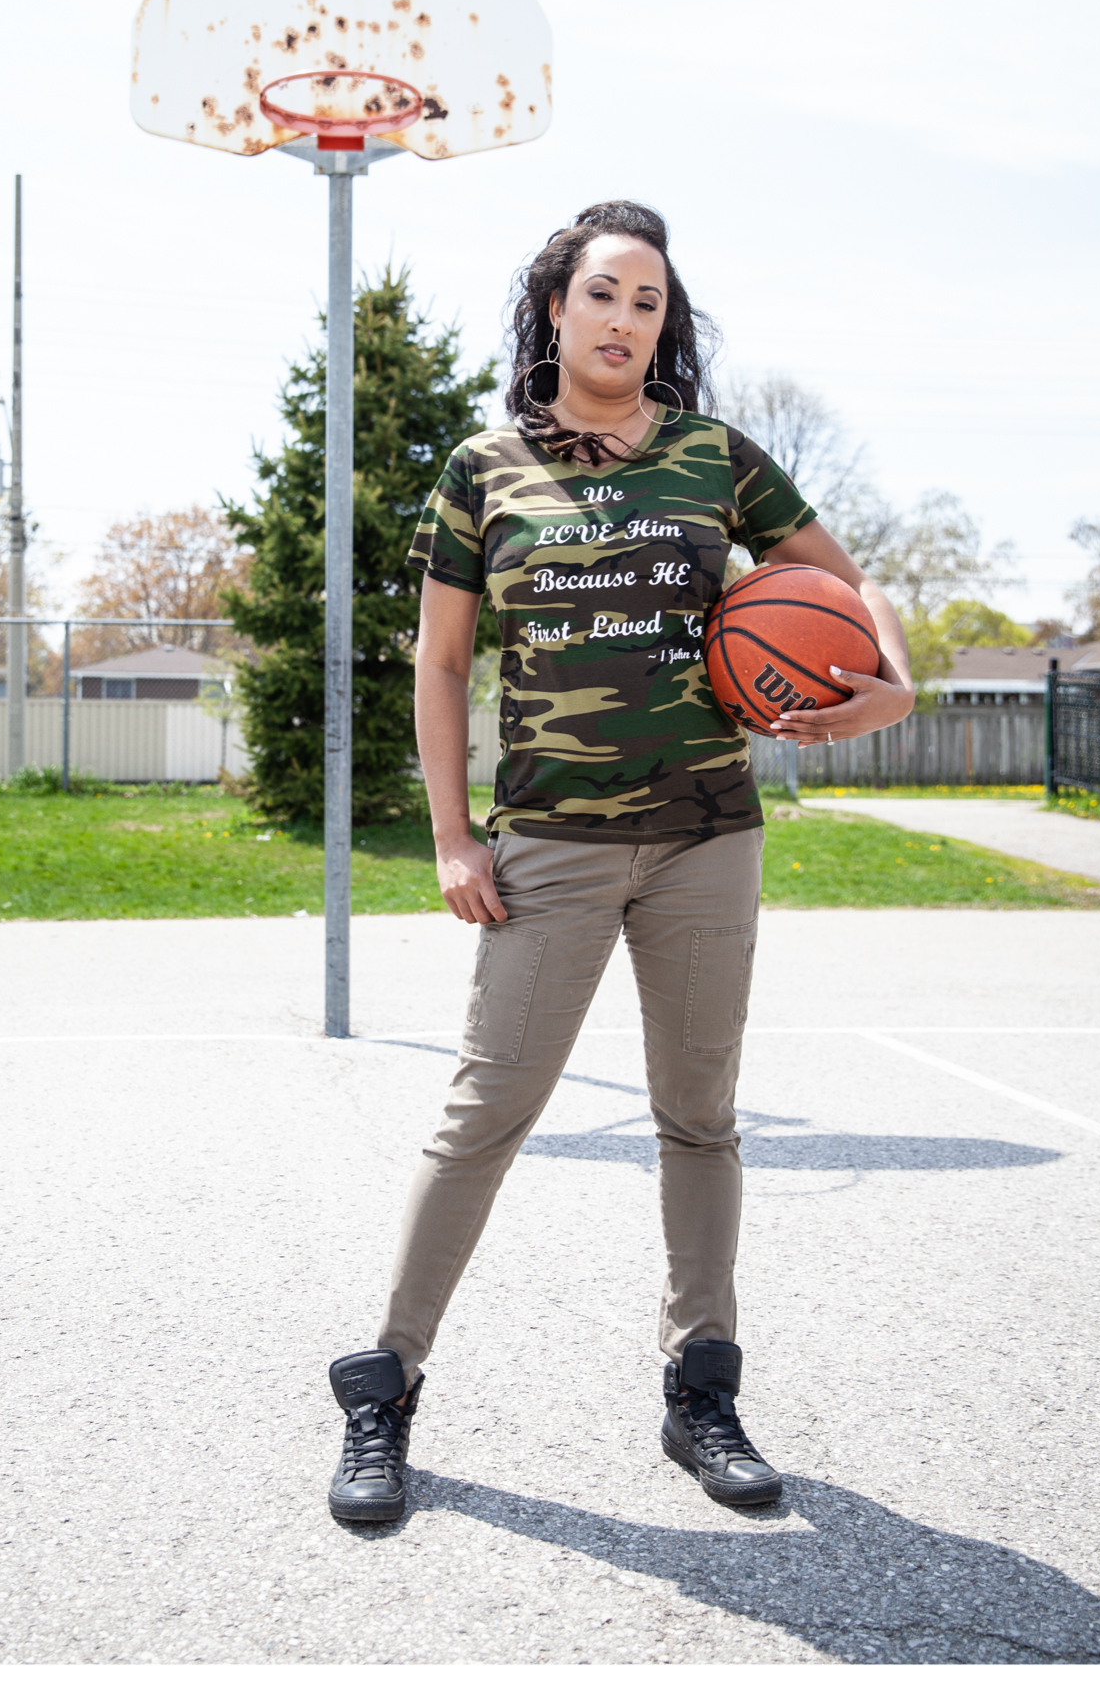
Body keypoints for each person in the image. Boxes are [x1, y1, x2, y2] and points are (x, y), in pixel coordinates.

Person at [323, 201, 917, 1526]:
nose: (624, 319)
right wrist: (449, 833)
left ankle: (701, 1383)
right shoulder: (483, 468)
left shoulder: (717, 456)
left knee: (699, 1113)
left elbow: (841, 583)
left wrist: (892, 685)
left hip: (708, 834)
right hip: (551, 842)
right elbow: (437, 660)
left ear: (666, 324)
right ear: (553, 307)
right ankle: (387, 1382)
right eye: (603, 293)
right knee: (487, 1111)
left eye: (649, 302)